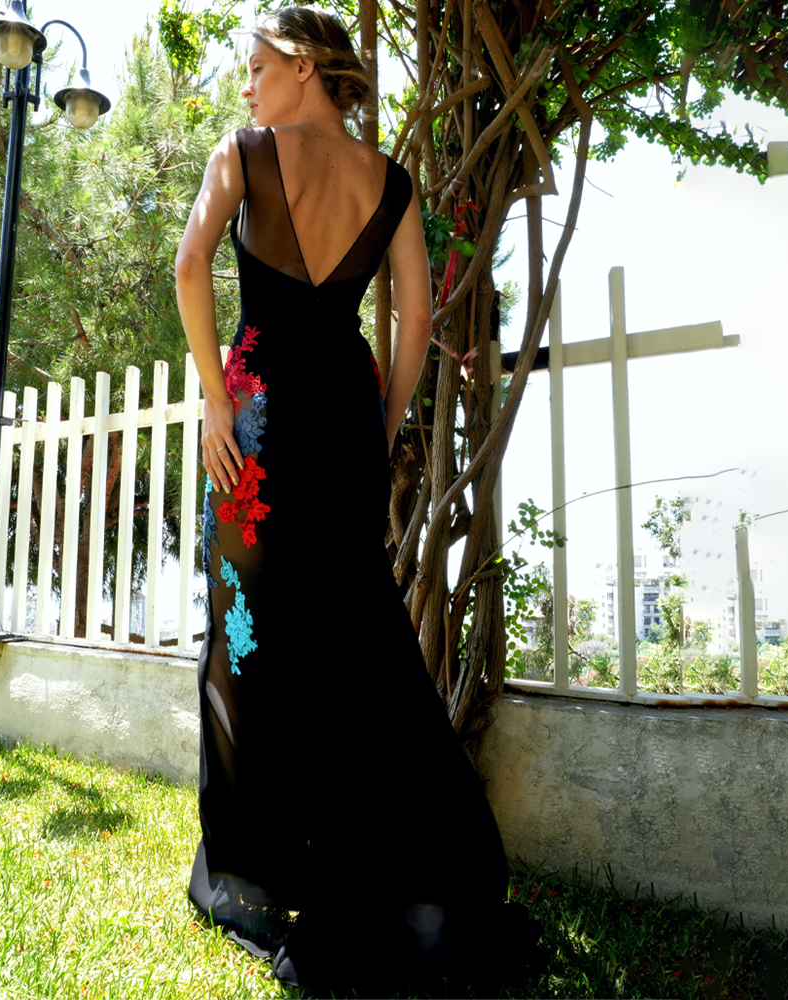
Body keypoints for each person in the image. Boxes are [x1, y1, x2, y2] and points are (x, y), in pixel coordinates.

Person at [175, 8, 541, 996]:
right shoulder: (391, 181)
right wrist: (378, 427)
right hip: (343, 403)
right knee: (354, 634)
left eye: (255, 67)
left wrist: (214, 398)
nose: (246, 88)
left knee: (247, 633)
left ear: (299, 67)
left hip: (255, 410)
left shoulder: (243, 154)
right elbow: (414, 319)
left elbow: (186, 268)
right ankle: (426, 877)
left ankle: (249, 873)